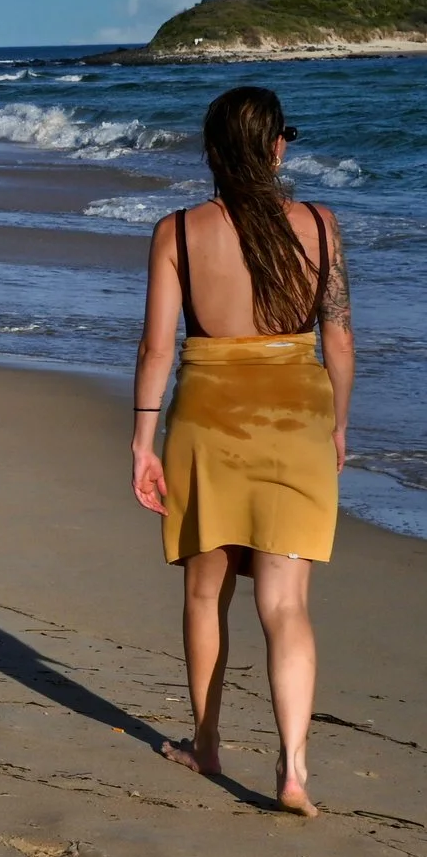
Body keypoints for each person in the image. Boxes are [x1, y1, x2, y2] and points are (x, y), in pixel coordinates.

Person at [130, 86, 352, 817]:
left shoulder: (179, 232)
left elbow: (158, 345)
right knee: (286, 605)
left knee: (205, 592)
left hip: (207, 419)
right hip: (298, 417)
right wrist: (338, 424)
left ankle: (207, 742)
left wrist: (142, 438)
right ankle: (293, 770)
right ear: (278, 146)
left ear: (213, 152)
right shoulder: (320, 225)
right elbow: (339, 339)